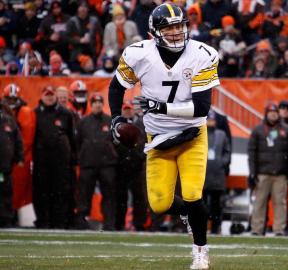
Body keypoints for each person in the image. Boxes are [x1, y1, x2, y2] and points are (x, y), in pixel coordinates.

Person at [109, 3, 219, 269]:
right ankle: (191, 216)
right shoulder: (138, 54)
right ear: (153, 33)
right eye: (168, 28)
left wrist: (161, 106)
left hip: (191, 134)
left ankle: (201, 252)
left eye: (179, 26)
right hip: (157, 137)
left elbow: (202, 108)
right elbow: (116, 87)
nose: (175, 33)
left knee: (193, 194)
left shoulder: (203, 54)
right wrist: (116, 120)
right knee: (159, 204)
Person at [247, 102, 288, 236]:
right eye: (271, 113)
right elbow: (251, 152)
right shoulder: (258, 130)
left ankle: (279, 229)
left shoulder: (287, 130)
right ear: (266, 114)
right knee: (259, 202)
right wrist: (252, 172)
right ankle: (257, 229)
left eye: (275, 113)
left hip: (280, 174)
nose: (273, 115)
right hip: (262, 173)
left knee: (280, 203)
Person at [33, 86, 76, 229]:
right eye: (47, 95)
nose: (49, 97)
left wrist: (72, 158)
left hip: (61, 160)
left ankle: (59, 221)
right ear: (42, 96)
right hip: (41, 160)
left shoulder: (66, 113)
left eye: (51, 95)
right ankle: (43, 220)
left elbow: (71, 137)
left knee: (60, 191)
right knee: (42, 191)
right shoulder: (35, 113)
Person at [76, 93, 118, 231]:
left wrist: (113, 156)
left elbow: (116, 142)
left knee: (109, 195)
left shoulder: (110, 121)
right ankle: (81, 221)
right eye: (95, 102)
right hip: (88, 164)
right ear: (91, 104)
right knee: (84, 194)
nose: (97, 105)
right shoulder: (83, 122)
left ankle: (109, 223)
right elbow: (77, 142)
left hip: (107, 165)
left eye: (100, 102)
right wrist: (81, 157)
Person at [1, 84, 36, 215]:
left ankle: (9, 215)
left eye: (13, 100)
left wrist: (19, 157)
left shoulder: (23, 114)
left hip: (11, 161)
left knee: (10, 190)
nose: (11, 103)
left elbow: (21, 141)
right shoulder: (6, 118)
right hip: (5, 160)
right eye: (8, 100)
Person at [115, 101, 148, 231]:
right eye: (125, 109)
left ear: (133, 110)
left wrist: (141, 156)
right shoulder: (117, 124)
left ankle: (139, 223)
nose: (127, 111)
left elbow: (146, 141)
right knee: (120, 197)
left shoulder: (141, 124)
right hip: (121, 166)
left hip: (137, 166)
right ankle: (119, 223)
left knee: (139, 197)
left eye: (129, 109)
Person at [203, 110, 231, 234]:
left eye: (212, 120)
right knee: (201, 203)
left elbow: (227, 151)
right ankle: (201, 227)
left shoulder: (222, 134)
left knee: (216, 204)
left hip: (217, 175)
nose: (211, 122)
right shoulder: (200, 133)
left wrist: (222, 162)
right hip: (203, 174)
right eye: (209, 119)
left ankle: (215, 227)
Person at [0, 102, 23, 228]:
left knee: (6, 192)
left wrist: (19, 157)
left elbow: (18, 140)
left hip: (4, 166)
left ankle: (5, 219)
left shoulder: (9, 121)